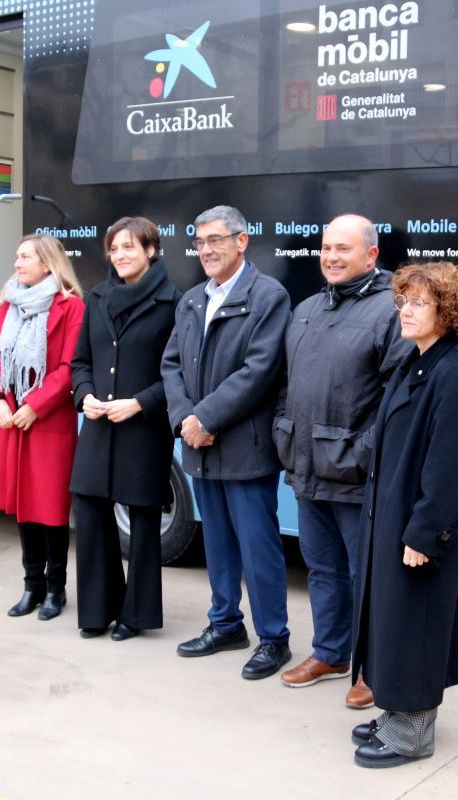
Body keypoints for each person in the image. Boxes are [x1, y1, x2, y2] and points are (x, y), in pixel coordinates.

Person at [349, 261, 458, 768]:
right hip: (392, 517)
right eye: (403, 301)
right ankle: (395, 713)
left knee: (416, 626)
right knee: (392, 620)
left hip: (419, 528)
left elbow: (449, 466)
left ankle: (413, 732)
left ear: (446, 312)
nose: (405, 311)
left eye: (418, 303)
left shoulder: (456, 373)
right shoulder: (418, 360)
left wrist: (426, 533)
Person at [274, 215, 412, 710]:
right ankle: (330, 654)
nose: (331, 256)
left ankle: (374, 668)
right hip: (308, 468)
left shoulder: (390, 312)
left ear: (371, 255)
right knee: (322, 568)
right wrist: (282, 434)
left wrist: (361, 454)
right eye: (326, 247)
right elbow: (286, 385)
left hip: (356, 474)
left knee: (367, 574)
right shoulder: (308, 307)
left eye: (343, 248)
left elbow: (398, 401)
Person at [161, 205, 293, 680]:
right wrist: (185, 421)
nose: (206, 250)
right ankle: (225, 625)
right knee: (216, 542)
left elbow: (259, 371)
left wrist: (207, 416)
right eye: (199, 242)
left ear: (242, 242)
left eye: (216, 240)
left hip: (245, 447)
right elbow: (171, 364)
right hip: (199, 445)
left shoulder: (268, 296)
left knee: (258, 547)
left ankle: (274, 638)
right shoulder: (193, 299)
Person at [70, 217, 181, 641]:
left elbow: (177, 373)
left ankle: (137, 615)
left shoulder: (174, 303)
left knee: (144, 523)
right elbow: (80, 361)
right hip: (98, 425)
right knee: (91, 514)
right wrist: (86, 395)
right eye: (114, 248)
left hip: (144, 428)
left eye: (129, 247)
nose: (120, 255)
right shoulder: (96, 298)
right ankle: (97, 611)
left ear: (151, 250)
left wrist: (140, 402)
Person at [0, 234, 84, 622]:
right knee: (25, 507)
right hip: (13, 421)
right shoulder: (10, 304)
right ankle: (31, 586)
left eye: (25, 257)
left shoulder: (71, 307)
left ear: (48, 263)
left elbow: (69, 368)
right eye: (17, 256)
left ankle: (56, 589)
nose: (18, 263)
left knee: (51, 509)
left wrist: (35, 406)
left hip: (47, 422)